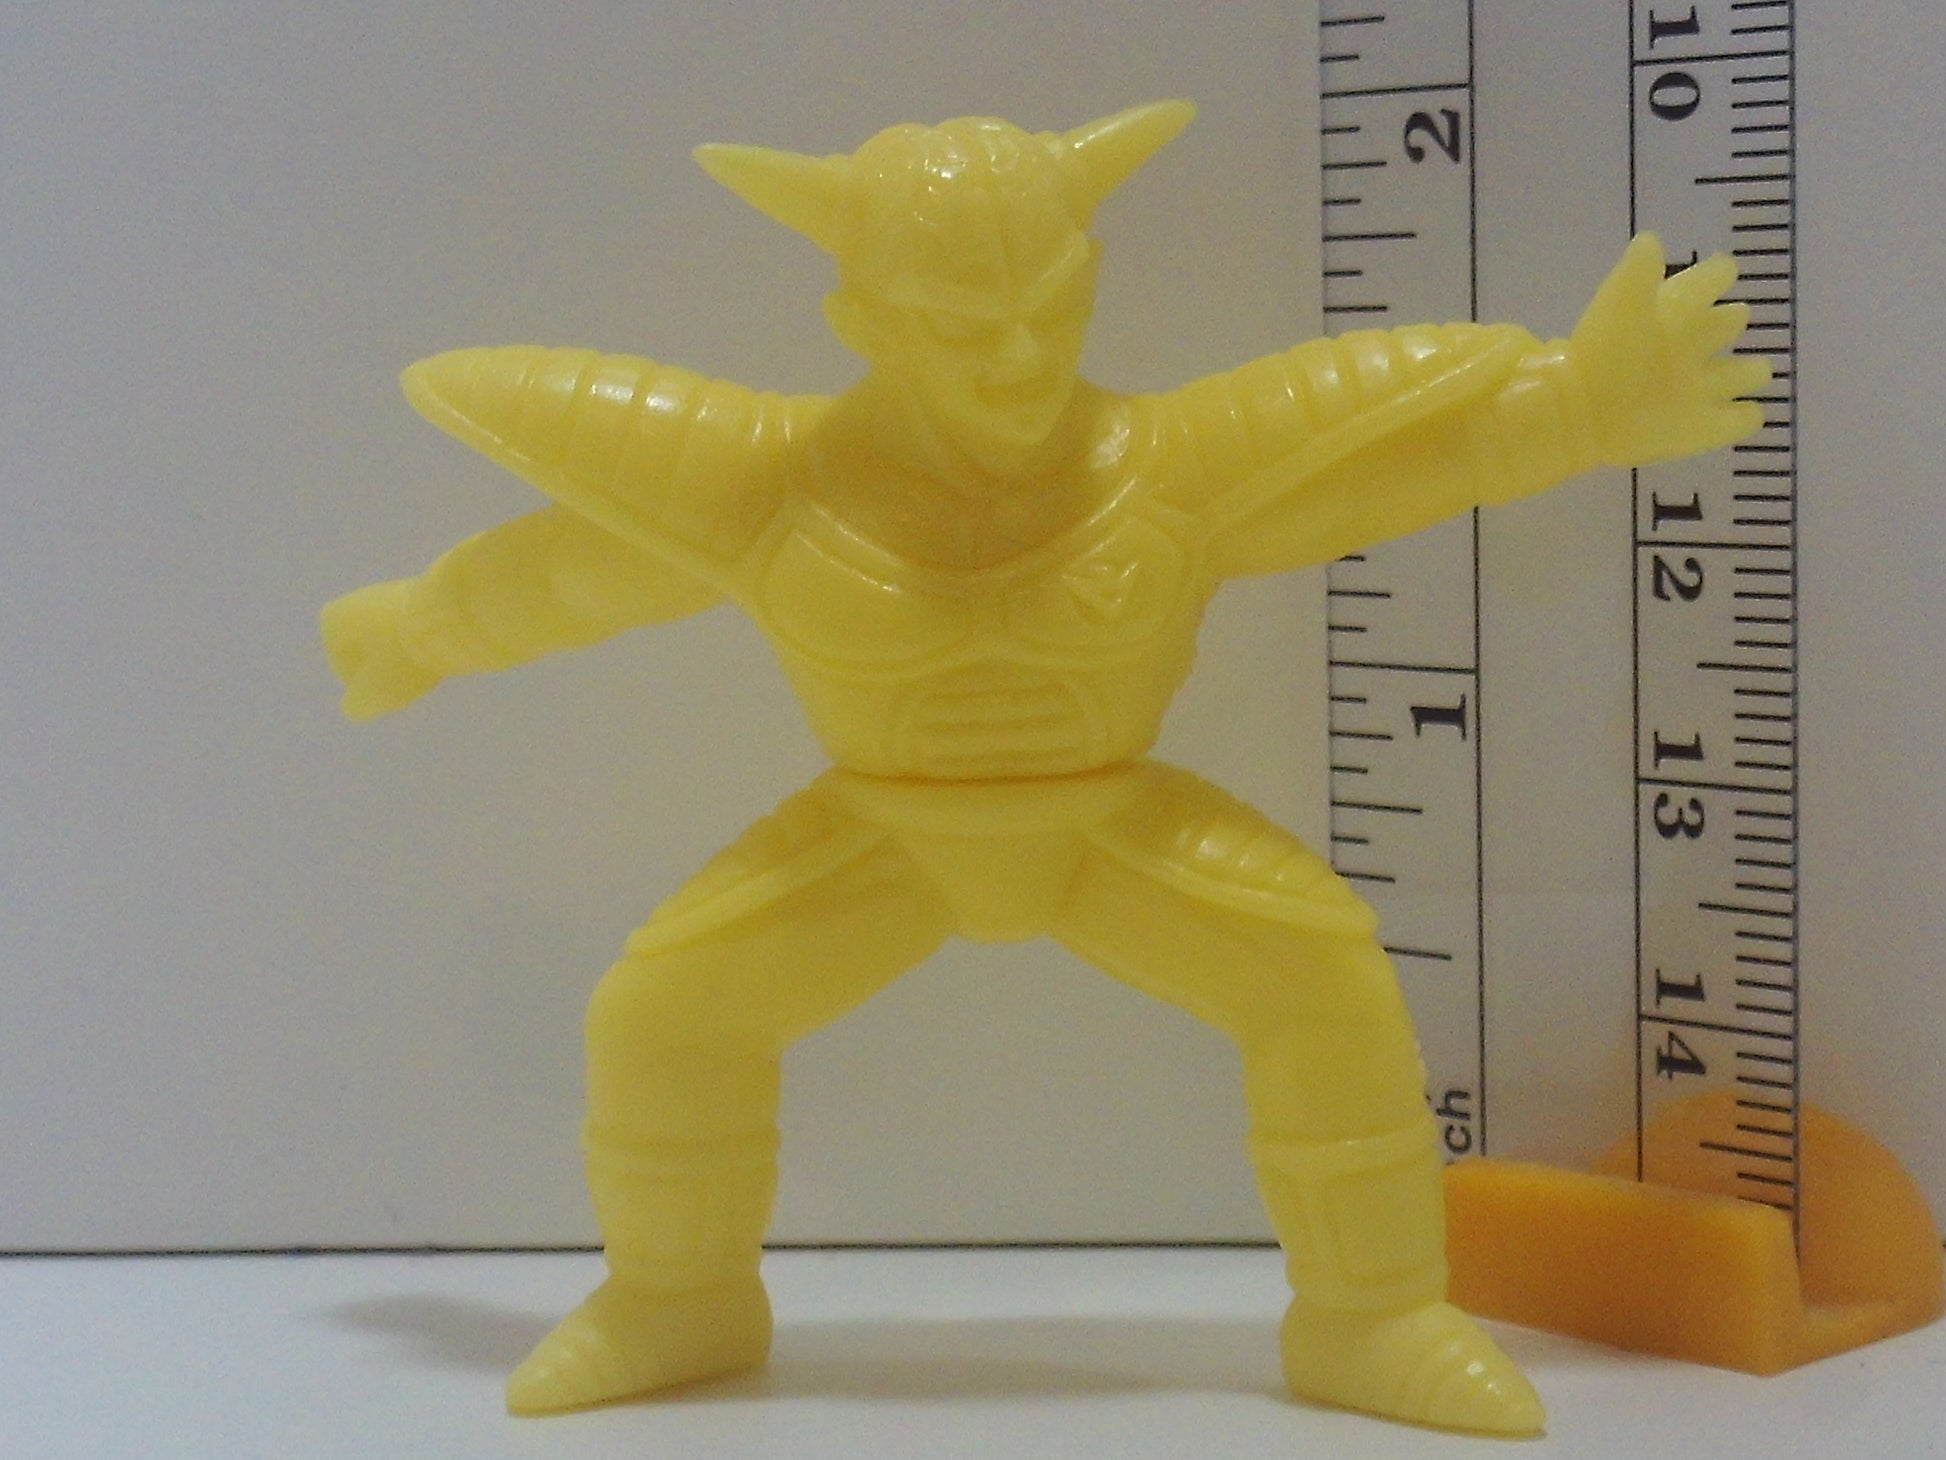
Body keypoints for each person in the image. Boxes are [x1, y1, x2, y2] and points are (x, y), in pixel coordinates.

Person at [323, 100, 1763, 1434]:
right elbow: (582, 570)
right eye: (963, 325)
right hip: (876, 836)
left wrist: (1581, 409)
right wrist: (418, 627)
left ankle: (1371, 1314)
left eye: (1049, 306)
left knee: (1323, 985)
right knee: (662, 1018)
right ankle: (674, 1296)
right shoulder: (767, 485)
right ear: (861, 320)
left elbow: (1370, 475)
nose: (1017, 358)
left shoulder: (1166, 465)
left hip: (1113, 827)